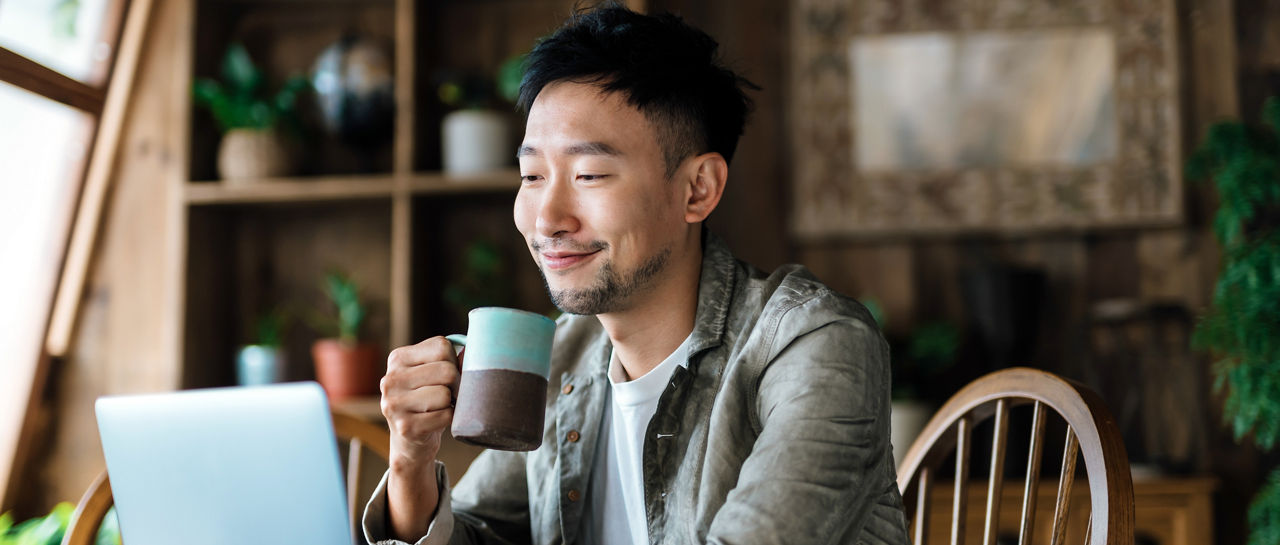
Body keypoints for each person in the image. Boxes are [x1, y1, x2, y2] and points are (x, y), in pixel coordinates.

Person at [364, 4, 908, 544]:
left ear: (698, 189)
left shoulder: (815, 344)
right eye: (531, 175)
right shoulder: (567, 353)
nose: (548, 219)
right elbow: (482, 533)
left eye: (590, 174)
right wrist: (412, 461)